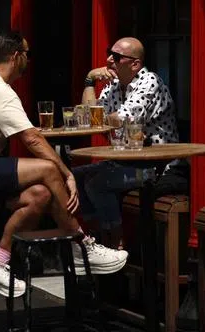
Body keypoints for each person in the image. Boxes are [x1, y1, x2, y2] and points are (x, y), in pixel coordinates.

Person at [0, 30, 128, 298]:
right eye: (28, 55)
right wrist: (67, 173)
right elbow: (32, 139)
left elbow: (30, 136)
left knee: (40, 194)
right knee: (49, 169)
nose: (29, 61)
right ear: (16, 57)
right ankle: (81, 246)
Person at [76, 36, 186, 249]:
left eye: (116, 57)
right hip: (127, 163)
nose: (108, 60)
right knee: (75, 176)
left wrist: (100, 119)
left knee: (97, 183)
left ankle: (116, 243)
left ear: (135, 64)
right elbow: (88, 119)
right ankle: (96, 235)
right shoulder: (114, 85)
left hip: (156, 169)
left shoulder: (149, 82)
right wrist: (90, 80)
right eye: (110, 53)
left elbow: (124, 119)